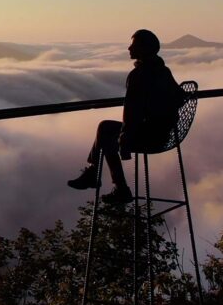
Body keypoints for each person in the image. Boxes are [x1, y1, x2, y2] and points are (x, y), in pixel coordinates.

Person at [68, 29, 185, 204]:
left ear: (144, 49)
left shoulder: (138, 75)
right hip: (164, 134)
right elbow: (180, 97)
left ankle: (118, 187)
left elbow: (132, 113)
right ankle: (95, 174)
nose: (129, 48)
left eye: (133, 45)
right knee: (106, 129)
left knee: (106, 132)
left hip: (150, 137)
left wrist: (125, 140)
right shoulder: (163, 71)